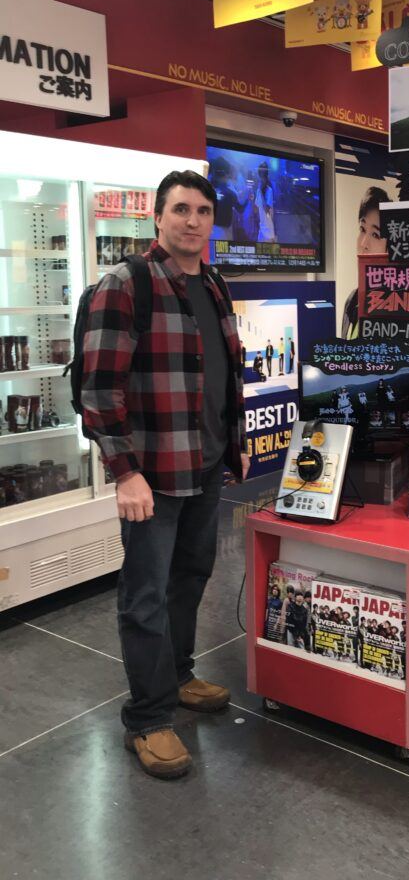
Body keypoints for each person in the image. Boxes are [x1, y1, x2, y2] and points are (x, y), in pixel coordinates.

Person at [81, 169, 249, 780]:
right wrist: (125, 473)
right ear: (158, 216)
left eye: (203, 210)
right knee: (145, 595)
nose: (193, 220)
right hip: (151, 475)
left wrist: (231, 448)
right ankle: (148, 719)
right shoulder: (126, 286)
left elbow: (224, 378)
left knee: (191, 575)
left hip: (204, 466)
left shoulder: (214, 283)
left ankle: (177, 676)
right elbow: (99, 389)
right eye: (181, 209)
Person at [341, 186, 390, 339]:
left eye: (375, 235)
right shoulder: (352, 300)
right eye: (362, 229)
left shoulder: (398, 307)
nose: (363, 243)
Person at [253, 161, 276, 242]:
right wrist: (253, 197)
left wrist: (261, 194)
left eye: (262, 175)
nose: (261, 178)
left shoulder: (269, 190)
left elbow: (267, 210)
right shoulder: (258, 190)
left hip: (269, 232)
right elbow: (255, 210)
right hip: (261, 230)